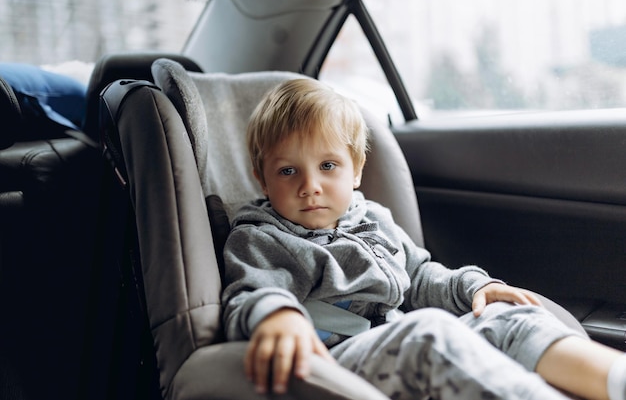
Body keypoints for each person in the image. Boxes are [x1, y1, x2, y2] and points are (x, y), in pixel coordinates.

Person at [221, 77, 626, 400]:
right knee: (430, 332)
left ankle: (615, 381)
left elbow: (419, 274)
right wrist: (276, 316)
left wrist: (474, 286)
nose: (310, 186)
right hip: (334, 365)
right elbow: (251, 291)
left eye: (328, 165)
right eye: (288, 171)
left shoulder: (372, 218)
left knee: (506, 318)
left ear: (356, 170)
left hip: (397, 341)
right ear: (261, 178)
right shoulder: (262, 237)